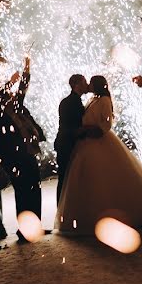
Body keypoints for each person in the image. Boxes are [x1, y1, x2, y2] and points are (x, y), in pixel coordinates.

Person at [55, 75, 142, 234]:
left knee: (107, 177)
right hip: (83, 144)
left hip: (98, 141)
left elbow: (106, 123)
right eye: (84, 82)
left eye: (89, 82)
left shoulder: (103, 100)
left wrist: (94, 130)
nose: (87, 84)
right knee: (80, 179)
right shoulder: (90, 100)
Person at [0, 56, 47, 243]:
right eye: (10, 95)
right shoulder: (0, 115)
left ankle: (36, 226)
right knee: (22, 192)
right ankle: (24, 230)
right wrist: (10, 81)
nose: (14, 96)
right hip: (14, 157)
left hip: (28, 153)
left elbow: (22, 88)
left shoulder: (18, 107)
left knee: (35, 189)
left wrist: (27, 68)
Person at [54, 74, 91, 203]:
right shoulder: (70, 102)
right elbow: (67, 125)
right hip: (67, 144)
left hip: (66, 143)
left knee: (66, 179)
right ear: (77, 85)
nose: (86, 84)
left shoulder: (71, 100)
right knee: (65, 179)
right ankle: (62, 208)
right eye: (84, 82)